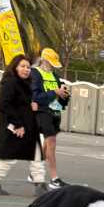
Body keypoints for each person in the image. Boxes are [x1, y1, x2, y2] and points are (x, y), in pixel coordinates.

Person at [0, 54, 45, 196]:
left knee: (36, 154)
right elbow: (6, 104)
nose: (26, 69)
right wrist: (17, 125)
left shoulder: (27, 83)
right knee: (10, 157)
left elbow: (23, 102)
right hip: (15, 126)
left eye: (28, 67)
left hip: (29, 126)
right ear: (15, 67)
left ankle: (40, 184)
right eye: (22, 66)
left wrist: (33, 104)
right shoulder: (10, 82)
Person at [30, 48, 70, 189]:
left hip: (54, 113)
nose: (52, 66)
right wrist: (54, 92)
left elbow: (60, 95)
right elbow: (35, 96)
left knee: (47, 144)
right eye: (51, 63)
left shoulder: (54, 75)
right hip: (41, 112)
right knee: (51, 141)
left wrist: (64, 95)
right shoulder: (35, 74)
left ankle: (35, 170)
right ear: (44, 60)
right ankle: (54, 178)